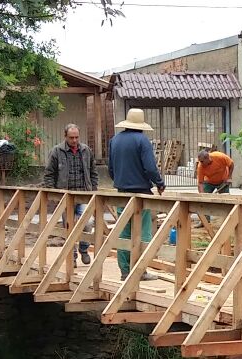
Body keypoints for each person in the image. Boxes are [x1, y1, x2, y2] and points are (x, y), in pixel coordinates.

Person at [108, 109, 165, 280]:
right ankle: (140, 270)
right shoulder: (142, 141)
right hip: (141, 194)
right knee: (143, 233)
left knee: (124, 232)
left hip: (121, 193)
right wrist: (160, 183)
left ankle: (125, 271)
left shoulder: (114, 140)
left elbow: (111, 168)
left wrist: (120, 180)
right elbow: (149, 167)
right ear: (141, 125)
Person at [43, 123, 99, 265]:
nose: (74, 140)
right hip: (65, 196)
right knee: (68, 226)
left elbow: (93, 172)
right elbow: (49, 174)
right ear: (65, 136)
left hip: (83, 194)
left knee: (88, 222)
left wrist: (93, 189)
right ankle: (72, 256)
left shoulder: (86, 150)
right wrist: (54, 194)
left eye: (76, 137)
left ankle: (84, 248)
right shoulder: (57, 151)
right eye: (71, 137)